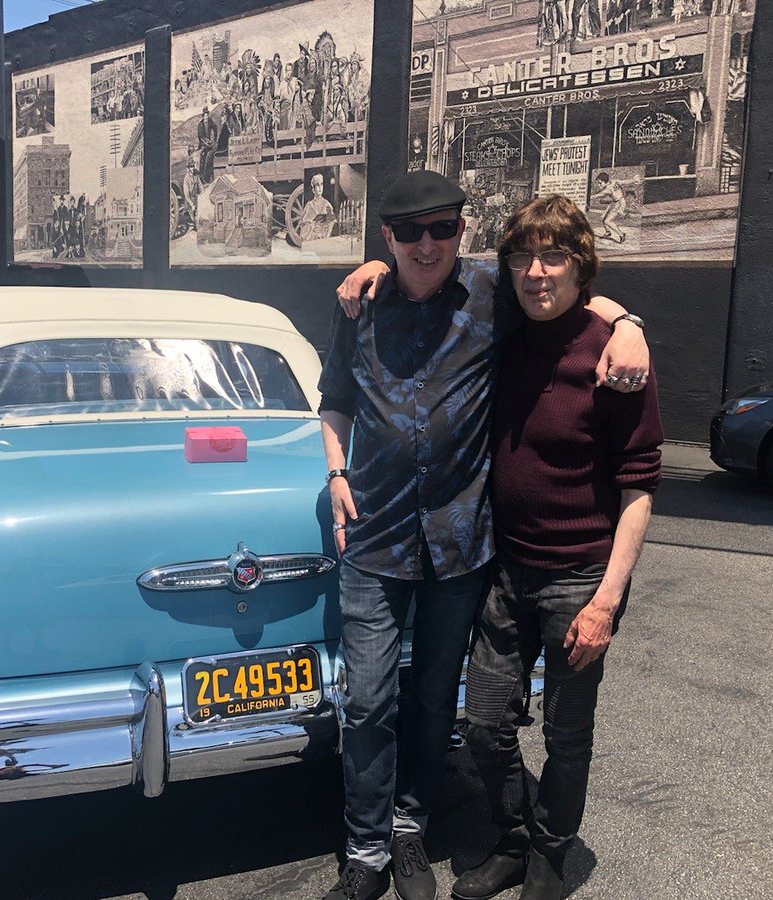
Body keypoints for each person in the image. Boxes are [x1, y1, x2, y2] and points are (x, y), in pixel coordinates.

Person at [319, 172, 650, 900]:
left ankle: (411, 829)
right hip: (374, 536)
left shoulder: (490, 295)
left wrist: (631, 324)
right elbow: (335, 398)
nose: (427, 243)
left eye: (442, 228)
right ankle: (366, 851)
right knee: (369, 700)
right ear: (387, 238)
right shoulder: (359, 304)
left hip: (460, 542)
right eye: (410, 232)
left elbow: (565, 292)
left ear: (462, 231)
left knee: (438, 699)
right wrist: (336, 472)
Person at [452, 196, 661, 900]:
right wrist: (370, 269)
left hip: (582, 577)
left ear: (581, 266)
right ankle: (513, 839)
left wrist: (606, 602)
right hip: (508, 572)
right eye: (523, 256)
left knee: (567, 736)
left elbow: (638, 489)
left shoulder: (613, 357)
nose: (536, 272)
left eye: (554, 257)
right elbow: (434, 270)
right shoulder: (505, 335)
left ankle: (551, 855)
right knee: (484, 722)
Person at [590, 172, 628, 244]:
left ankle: (621, 234)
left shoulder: (608, 190)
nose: (599, 185)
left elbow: (596, 196)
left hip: (619, 203)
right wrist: (633, 180)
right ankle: (608, 232)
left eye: (600, 183)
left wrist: (588, 197)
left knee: (607, 221)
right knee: (603, 217)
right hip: (615, 202)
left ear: (605, 181)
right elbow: (624, 182)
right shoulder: (613, 181)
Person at [301, 173, 336, 241]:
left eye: (321, 184)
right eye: (317, 185)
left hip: (324, 237)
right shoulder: (310, 205)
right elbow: (304, 223)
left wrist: (327, 234)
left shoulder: (327, 204)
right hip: (312, 237)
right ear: (313, 189)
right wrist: (312, 225)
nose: (320, 187)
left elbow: (332, 222)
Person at [196, 107, 218, 185]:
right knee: (202, 159)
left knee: (211, 156)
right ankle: (202, 177)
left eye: (207, 115)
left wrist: (214, 139)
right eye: (205, 116)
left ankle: (209, 175)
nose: (206, 117)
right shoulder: (200, 125)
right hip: (202, 144)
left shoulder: (210, 121)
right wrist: (206, 143)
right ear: (203, 116)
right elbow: (201, 138)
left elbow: (215, 128)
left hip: (208, 143)